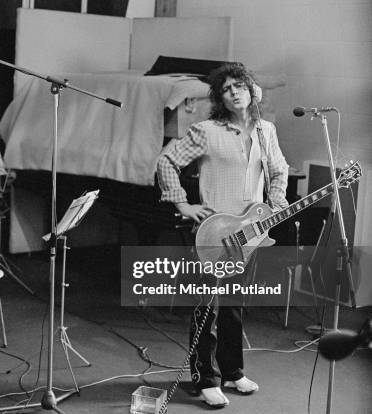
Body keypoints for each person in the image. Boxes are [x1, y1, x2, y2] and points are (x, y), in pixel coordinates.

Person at [156, 62, 288, 408]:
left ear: (251, 91)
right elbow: (166, 161)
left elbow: (279, 169)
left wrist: (275, 202)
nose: (234, 93)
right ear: (220, 98)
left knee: (233, 306)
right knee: (207, 307)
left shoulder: (265, 131)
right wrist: (182, 204)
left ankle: (232, 372)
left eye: (239, 86)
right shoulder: (206, 131)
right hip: (213, 232)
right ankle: (204, 378)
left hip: (250, 233)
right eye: (226, 89)